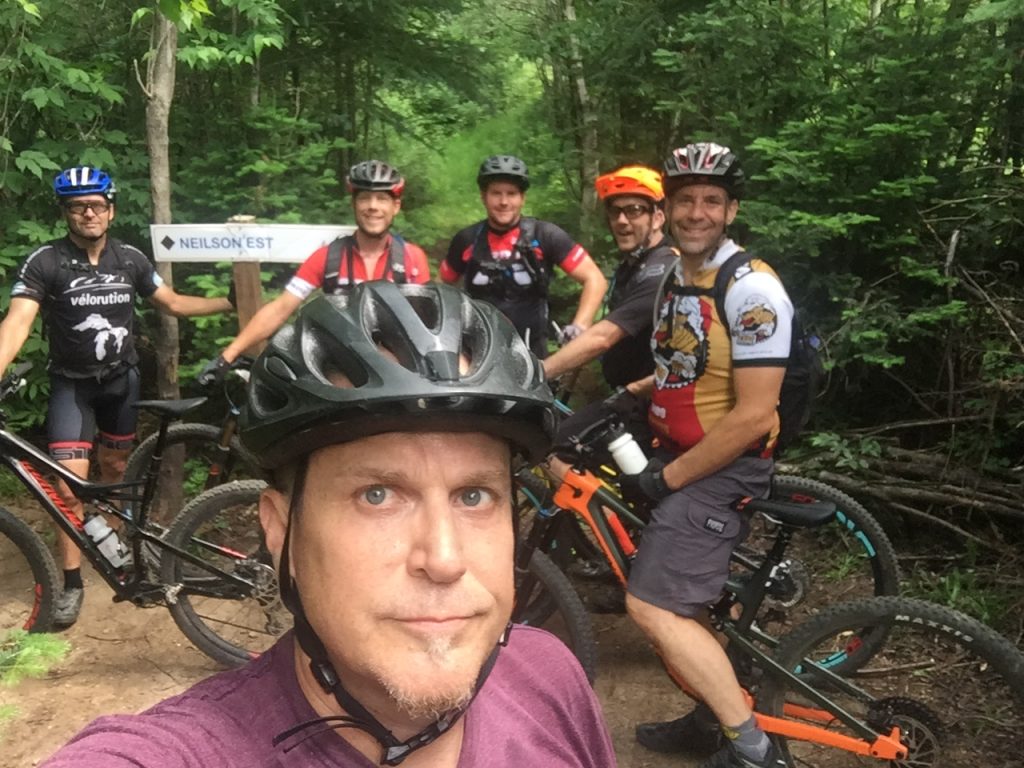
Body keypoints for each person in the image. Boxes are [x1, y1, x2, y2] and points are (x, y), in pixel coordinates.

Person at [42, 281, 617, 768]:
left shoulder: (547, 675)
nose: (444, 559)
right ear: (279, 529)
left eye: (474, 495)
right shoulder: (187, 750)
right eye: (377, 494)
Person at [621, 143, 793, 768]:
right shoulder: (675, 274)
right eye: (685, 199)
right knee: (687, 603)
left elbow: (753, 415)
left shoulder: (752, 291)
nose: (697, 211)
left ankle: (752, 749)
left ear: (731, 210)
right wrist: (630, 395)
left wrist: (668, 479)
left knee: (652, 604)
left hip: (720, 468)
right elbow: (682, 364)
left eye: (711, 201)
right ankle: (708, 716)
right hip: (679, 447)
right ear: (667, 209)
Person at [0, 165, 233, 628]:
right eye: (77, 206)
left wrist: (231, 302)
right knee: (68, 490)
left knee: (115, 471)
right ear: (65, 212)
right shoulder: (45, 261)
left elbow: (172, 303)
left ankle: (126, 552)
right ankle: (71, 582)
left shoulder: (129, 258)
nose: (88, 213)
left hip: (120, 383)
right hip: (73, 387)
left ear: (111, 209)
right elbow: (18, 321)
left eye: (96, 205)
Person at [198, 159, 430, 383]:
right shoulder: (328, 258)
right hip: (342, 365)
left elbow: (424, 321)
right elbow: (281, 307)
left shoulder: (412, 258)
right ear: (354, 204)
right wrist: (228, 355)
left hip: (397, 369)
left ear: (395, 206)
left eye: (382, 199)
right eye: (365, 198)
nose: (373, 206)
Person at [542, 164, 676, 456]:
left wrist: (539, 371)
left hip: (653, 405)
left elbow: (604, 337)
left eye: (634, 210)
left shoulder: (661, 269)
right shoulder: (633, 267)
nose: (622, 220)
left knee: (550, 448)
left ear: (658, 217)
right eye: (615, 212)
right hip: (629, 399)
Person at [439, 154, 607, 358]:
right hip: (477, 353)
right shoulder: (466, 240)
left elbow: (595, 279)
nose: (504, 202)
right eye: (496, 193)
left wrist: (579, 327)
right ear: (484, 196)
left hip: (532, 352)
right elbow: (440, 288)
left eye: (511, 193)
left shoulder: (545, 236)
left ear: (522, 198)